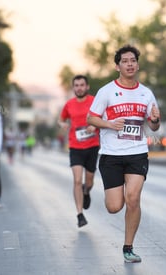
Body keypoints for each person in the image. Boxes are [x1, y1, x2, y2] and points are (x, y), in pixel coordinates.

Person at [87, 45, 161, 263]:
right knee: (114, 207)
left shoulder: (146, 93)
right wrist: (110, 124)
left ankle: (128, 247)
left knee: (133, 198)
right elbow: (91, 118)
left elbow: (154, 126)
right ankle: (113, 196)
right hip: (111, 155)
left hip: (137, 152)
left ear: (138, 64)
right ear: (118, 65)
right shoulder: (106, 91)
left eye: (133, 60)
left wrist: (155, 120)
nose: (130, 64)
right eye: (125, 61)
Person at [58, 75, 100, 228]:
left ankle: (87, 191)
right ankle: (80, 215)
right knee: (77, 180)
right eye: (76, 85)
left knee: (88, 182)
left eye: (82, 85)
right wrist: (62, 124)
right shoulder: (69, 104)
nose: (79, 88)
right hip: (75, 147)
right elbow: (61, 119)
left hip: (92, 146)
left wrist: (95, 126)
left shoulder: (95, 101)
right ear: (73, 88)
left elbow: (102, 117)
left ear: (87, 87)